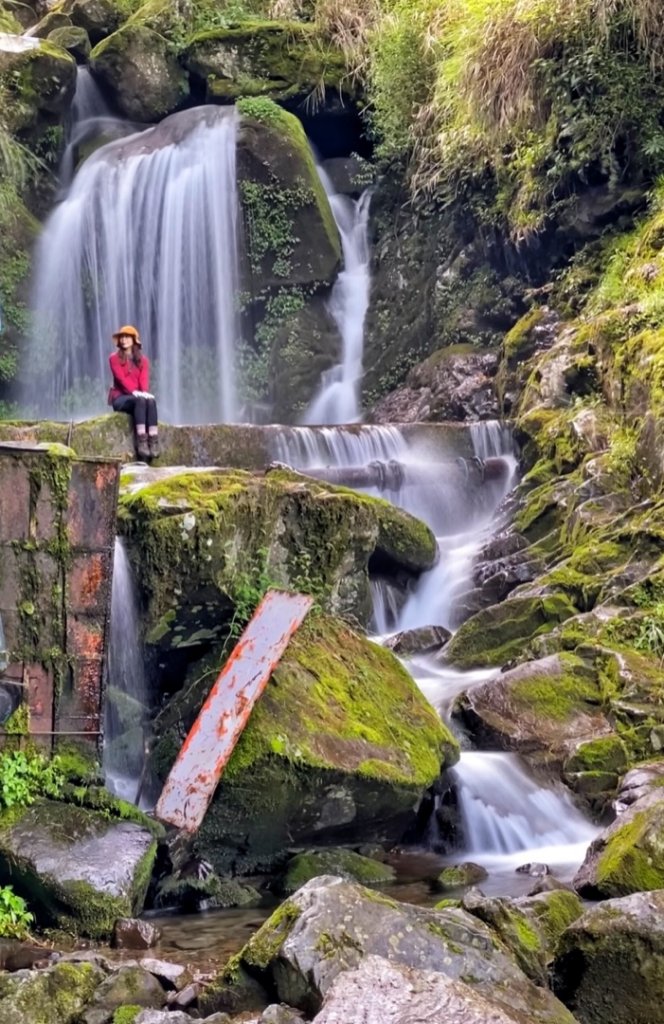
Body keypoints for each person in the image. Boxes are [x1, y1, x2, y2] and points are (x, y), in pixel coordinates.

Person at [108, 325, 160, 460]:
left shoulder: (143, 361)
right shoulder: (114, 358)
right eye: (122, 337)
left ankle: (153, 440)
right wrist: (135, 392)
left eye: (127, 337)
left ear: (134, 340)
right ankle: (141, 441)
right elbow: (121, 379)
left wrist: (144, 393)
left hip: (136, 397)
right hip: (120, 397)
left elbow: (144, 381)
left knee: (150, 401)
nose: (123, 340)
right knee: (139, 400)